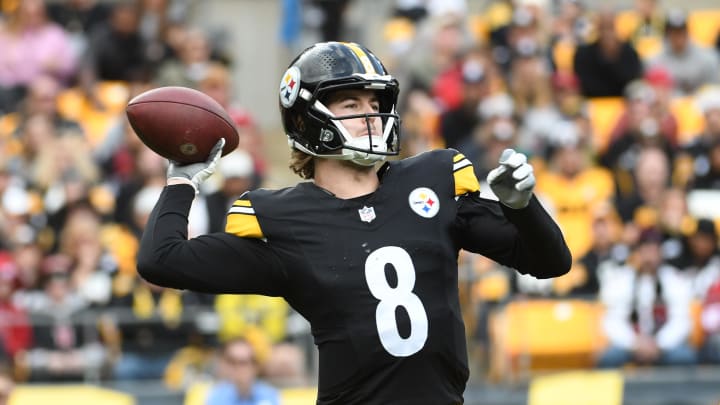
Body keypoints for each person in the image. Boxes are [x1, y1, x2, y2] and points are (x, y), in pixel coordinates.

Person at [137, 41, 571, 404]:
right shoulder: (285, 218)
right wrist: (182, 180)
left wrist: (522, 207)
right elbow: (161, 259)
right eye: (351, 102)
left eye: (375, 102)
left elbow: (551, 262)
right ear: (307, 119)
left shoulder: (432, 180)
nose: (370, 113)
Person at [205, 337, 280, 405]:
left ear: (255, 366)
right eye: (232, 361)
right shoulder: (213, 396)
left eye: (243, 362)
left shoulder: (269, 394)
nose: (237, 368)